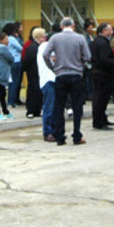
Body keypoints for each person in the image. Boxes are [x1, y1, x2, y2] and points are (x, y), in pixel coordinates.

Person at [43, 17, 92, 145]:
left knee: (59, 106)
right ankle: (76, 135)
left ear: (61, 26)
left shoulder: (55, 38)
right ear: (73, 26)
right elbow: (88, 57)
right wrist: (80, 63)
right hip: (76, 74)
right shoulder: (80, 38)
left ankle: (60, 136)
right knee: (77, 106)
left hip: (60, 74)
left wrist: (52, 68)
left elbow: (45, 54)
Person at [89, 22, 114, 130]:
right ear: (104, 31)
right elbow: (104, 60)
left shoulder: (96, 41)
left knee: (101, 97)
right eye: (110, 30)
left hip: (97, 72)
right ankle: (99, 121)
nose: (112, 32)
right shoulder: (102, 43)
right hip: (102, 73)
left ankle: (102, 118)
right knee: (101, 98)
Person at [36, 28, 56, 141]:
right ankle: (47, 132)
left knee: (55, 108)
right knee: (49, 108)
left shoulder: (49, 47)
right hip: (48, 80)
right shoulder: (45, 47)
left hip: (54, 80)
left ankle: (54, 130)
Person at [22, 27, 44, 119]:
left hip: (37, 72)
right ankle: (30, 110)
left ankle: (36, 110)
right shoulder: (33, 47)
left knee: (38, 91)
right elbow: (27, 61)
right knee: (33, 91)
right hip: (33, 72)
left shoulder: (38, 47)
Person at [5, 22, 24, 108]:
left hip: (10, 61)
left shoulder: (6, 39)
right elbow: (21, 48)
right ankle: (12, 101)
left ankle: (10, 100)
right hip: (16, 61)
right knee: (15, 82)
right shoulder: (12, 39)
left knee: (10, 82)